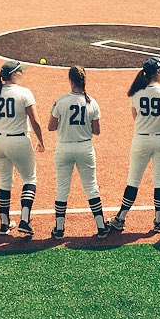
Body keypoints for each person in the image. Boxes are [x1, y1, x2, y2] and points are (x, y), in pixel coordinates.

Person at [107, 57, 160, 234]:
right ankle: (158, 221)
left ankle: (120, 218)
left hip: (141, 140)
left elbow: (136, 117)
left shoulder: (136, 94)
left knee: (133, 181)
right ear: (157, 73)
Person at [0, 60, 45, 237]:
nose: (22, 74)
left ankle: (4, 224)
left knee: (4, 182)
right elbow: (35, 121)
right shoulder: (24, 93)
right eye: (20, 72)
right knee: (29, 180)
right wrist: (41, 141)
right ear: (13, 75)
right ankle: (24, 221)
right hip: (19, 141)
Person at [48, 66, 106, 239]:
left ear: (70, 80)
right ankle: (101, 227)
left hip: (64, 147)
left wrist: (65, 124)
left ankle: (59, 229)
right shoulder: (92, 103)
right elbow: (97, 131)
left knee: (62, 187)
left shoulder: (61, 101)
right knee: (91, 186)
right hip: (85, 148)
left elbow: (51, 127)